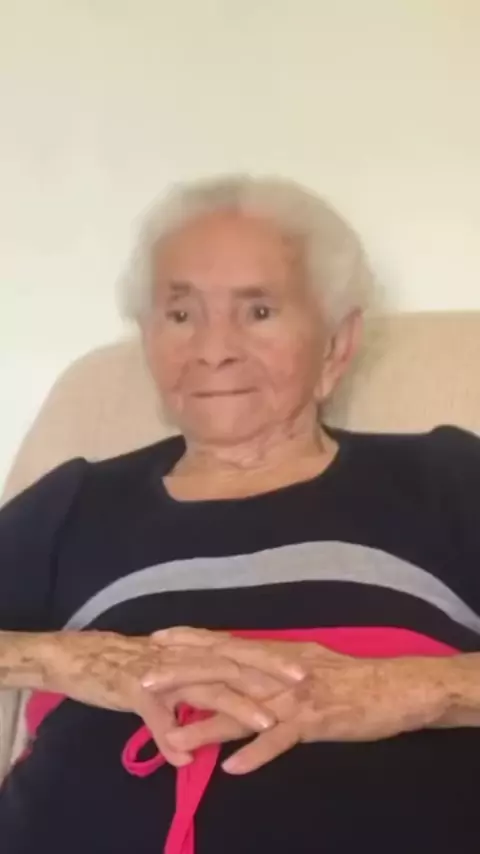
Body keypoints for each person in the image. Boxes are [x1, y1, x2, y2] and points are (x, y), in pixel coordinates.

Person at [0, 175, 479, 854]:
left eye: (258, 311)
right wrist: (61, 660)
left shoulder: (445, 477)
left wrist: (405, 688)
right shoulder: (76, 503)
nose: (212, 349)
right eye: (180, 315)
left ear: (337, 343)